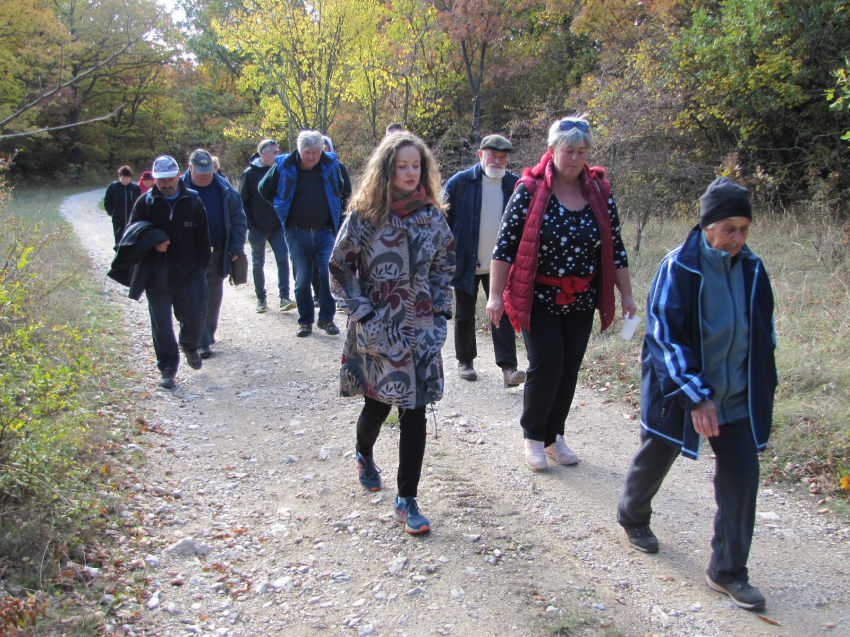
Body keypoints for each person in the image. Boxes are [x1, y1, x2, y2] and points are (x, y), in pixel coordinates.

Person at [617, 177, 776, 611]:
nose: (737, 239)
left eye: (744, 229)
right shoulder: (679, 266)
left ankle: (727, 570)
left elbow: (764, 331)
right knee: (660, 451)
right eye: (729, 228)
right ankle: (632, 515)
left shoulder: (753, 268)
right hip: (681, 387)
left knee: (743, 476)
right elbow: (665, 337)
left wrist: (762, 385)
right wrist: (697, 395)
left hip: (736, 395)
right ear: (707, 226)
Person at [487, 116, 636, 471]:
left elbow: (615, 246)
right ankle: (534, 436)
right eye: (568, 150)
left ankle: (554, 436)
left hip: (583, 296)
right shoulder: (529, 190)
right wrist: (494, 295)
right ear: (552, 150)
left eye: (582, 151)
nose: (575, 157)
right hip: (539, 296)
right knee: (547, 364)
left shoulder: (599, 192)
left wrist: (627, 295)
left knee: (569, 367)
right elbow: (505, 246)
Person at [329, 132, 455, 534]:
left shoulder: (433, 216)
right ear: (387, 168)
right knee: (378, 408)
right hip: (379, 330)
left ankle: (407, 499)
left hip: (420, 331)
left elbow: (444, 266)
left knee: (414, 411)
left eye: (415, 165)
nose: (409, 172)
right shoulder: (365, 217)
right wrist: (361, 311)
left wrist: (439, 311)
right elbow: (339, 265)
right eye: (401, 165)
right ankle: (364, 453)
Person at [444, 134, 525, 387]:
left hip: (500, 266)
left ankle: (509, 368)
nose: (498, 161)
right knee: (465, 314)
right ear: (480, 155)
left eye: (503, 157)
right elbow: (442, 223)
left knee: (502, 312)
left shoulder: (515, 185)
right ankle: (465, 362)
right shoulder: (460, 183)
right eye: (493, 156)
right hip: (466, 263)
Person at [128, 155, 210, 389]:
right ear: (154, 180)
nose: (166, 184)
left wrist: (201, 267)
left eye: (169, 178)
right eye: (161, 180)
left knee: (195, 317)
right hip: (157, 273)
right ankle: (167, 368)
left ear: (178, 175)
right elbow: (132, 235)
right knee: (162, 323)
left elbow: (204, 237)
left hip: (190, 271)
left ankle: (190, 346)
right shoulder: (145, 203)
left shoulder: (193, 201)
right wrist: (153, 243)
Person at [259, 130, 344, 337]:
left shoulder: (331, 165)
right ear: (299, 150)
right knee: (302, 279)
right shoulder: (284, 166)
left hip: (325, 232)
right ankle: (305, 321)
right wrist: (281, 207)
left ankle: (326, 319)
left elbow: (343, 189)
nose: (312, 157)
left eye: (315, 152)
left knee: (328, 274)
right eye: (307, 152)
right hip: (296, 233)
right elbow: (264, 188)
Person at [182, 149, 247, 359]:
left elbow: (238, 217)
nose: (204, 175)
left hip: (216, 253)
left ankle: (204, 340)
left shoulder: (224, 188)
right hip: (187, 255)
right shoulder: (179, 188)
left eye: (208, 170)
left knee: (212, 298)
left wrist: (236, 246)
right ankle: (192, 338)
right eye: (200, 171)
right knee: (191, 298)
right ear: (190, 167)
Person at [239, 139, 296, 313]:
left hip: (277, 225)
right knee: (258, 262)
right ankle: (261, 299)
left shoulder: (279, 170)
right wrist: (250, 224)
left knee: (282, 259)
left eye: (278, 151)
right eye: (274, 152)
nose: (277, 155)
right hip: (257, 227)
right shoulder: (249, 174)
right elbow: (243, 201)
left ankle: (284, 297)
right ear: (264, 154)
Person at [309, 135, 352, 307]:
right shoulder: (308, 169)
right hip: (314, 223)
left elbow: (348, 192)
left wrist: (345, 215)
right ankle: (319, 293)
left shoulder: (338, 167)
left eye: (325, 147)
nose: (323, 151)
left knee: (337, 259)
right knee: (315, 262)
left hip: (336, 221)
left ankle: (340, 295)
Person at [104, 166, 142, 247]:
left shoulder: (135, 188)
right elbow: (107, 201)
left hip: (132, 219)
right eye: (123, 178)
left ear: (130, 178)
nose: (125, 180)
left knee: (132, 238)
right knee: (118, 239)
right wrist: (111, 212)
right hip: (118, 219)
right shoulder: (113, 187)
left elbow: (140, 202)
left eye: (127, 179)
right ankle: (119, 256)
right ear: (119, 177)